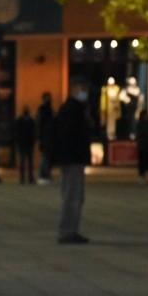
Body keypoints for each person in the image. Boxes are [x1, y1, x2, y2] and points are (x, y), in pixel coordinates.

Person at [52, 77, 92, 244]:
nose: (84, 92)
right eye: (81, 88)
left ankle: (71, 230)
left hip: (74, 158)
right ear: (74, 88)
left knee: (75, 196)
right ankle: (67, 231)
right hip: (72, 158)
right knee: (72, 196)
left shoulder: (75, 108)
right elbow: (69, 135)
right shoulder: (71, 109)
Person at [14, 106, 36, 184]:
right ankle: (25, 178)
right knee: (25, 161)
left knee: (28, 162)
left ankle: (27, 178)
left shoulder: (24, 121)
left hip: (26, 143)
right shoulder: (27, 121)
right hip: (24, 143)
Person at [36, 92, 55, 184]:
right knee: (45, 158)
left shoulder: (49, 110)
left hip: (49, 137)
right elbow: (39, 124)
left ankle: (45, 174)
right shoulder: (43, 110)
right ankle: (43, 174)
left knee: (47, 157)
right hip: (45, 138)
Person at [135, 110, 148, 183]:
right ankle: (142, 175)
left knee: (147, 160)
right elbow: (142, 134)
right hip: (142, 145)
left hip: (147, 145)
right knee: (142, 160)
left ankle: (145, 174)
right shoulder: (141, 124)